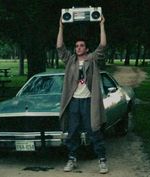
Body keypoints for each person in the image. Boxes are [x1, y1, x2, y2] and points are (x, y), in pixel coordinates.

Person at [56, 15, 108, 174]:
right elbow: (59, 47)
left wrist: (101, 25)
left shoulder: (92, 59)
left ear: (86, 49)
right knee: (72, 132)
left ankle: (102, 160)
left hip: (88, 102)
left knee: (94, 130)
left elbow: (103, 45)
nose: (78, 47)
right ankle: (72, 159)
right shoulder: (70, 61)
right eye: (76, 46)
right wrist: (61, 27)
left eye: (81, 45)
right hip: (74, 102)